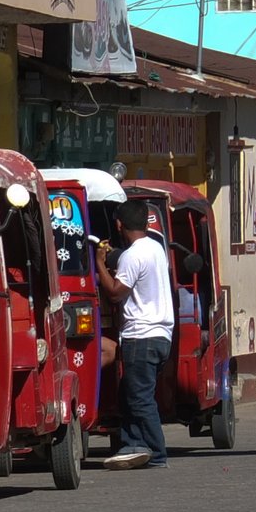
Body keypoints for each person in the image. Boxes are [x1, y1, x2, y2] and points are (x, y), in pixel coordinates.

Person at [96, 201, 173, 471]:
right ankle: (132, 445)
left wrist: (99, 265)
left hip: (142, 335)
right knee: (130, 392)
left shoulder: (134, 255)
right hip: (161, 335)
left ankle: (157, 452)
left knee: (140, 398)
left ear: (119, 225)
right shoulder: (155, 248)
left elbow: (116, 293)